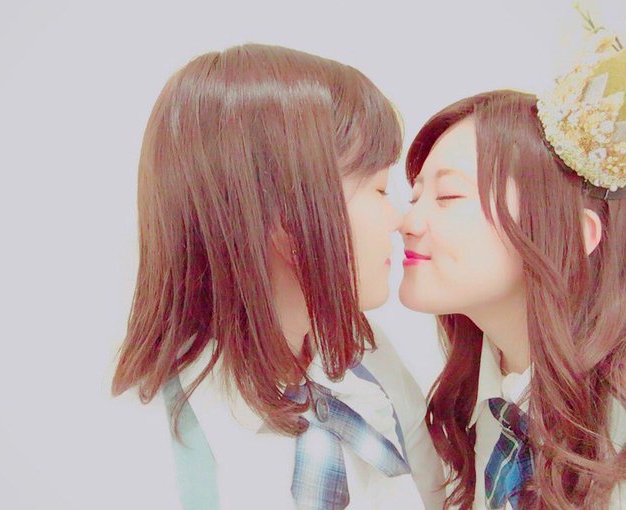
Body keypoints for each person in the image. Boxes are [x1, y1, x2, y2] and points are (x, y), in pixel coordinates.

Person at [111, 43, 445, 509]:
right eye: (379, 189)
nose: (399, 220)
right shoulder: (143, 444)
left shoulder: (367, 359)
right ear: (287, 215)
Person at [398, 30, 626, 510]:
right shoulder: (471, 408)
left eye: (448, 196)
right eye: (415, 197)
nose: (407, 223)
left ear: (572, 234)